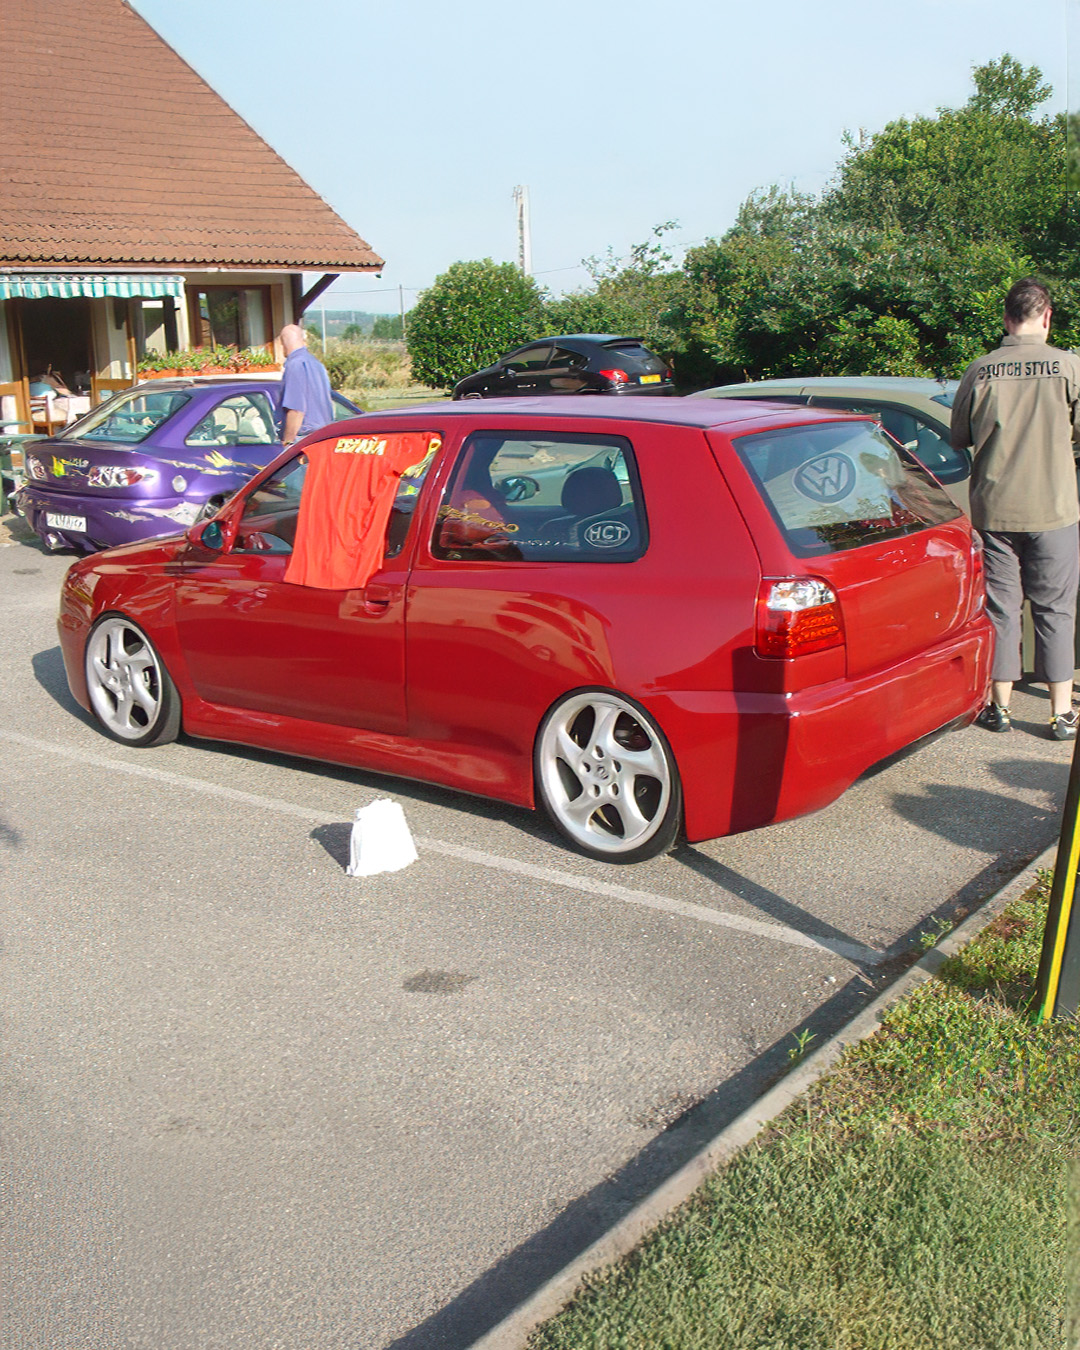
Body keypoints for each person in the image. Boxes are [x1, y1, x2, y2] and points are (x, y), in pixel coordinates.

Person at [951, 277, 1080, 739]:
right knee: (1055, 609)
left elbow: (959, 436)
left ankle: (999, 707)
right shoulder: (1070, 367)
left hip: (995, 510)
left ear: (1007, 319)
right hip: (1055, 509)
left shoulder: (980, 370)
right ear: (1047, 318)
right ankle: (1061, 713)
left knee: (1002, 609)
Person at [278, 323, 334, 445]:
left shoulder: (295, 365)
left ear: (283, 343)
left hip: (304, 440)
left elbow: (296, 410)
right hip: (324, 436)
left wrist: (288, 443)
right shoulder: (317, 364)